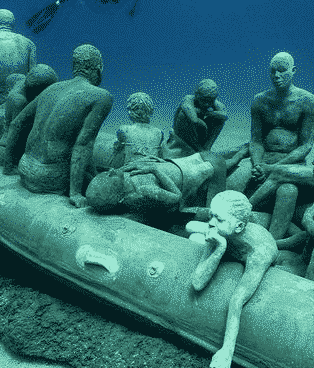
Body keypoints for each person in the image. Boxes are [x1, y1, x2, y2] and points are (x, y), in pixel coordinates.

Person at [186, 190, 279, 368]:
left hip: (249, 250)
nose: (211, 222)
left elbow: (237, 301)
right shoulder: (219, 231)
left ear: (239, 226)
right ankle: (214, 230)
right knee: (191, 229)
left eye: (218, 219)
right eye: (211, 215)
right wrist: (219, 249)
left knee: (193, 233)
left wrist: (227, 351)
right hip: (230, 241)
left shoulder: (260, 252)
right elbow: (197, 283)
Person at [3, 44, 113, 208]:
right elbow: (83, 145)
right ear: (98, 68)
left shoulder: (51, 89)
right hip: (50, 179)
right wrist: (75, 193)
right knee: (105, 184)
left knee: (89, 167)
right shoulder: (102, 97)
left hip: (24, 168)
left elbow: (16, 123)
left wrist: (8, 166)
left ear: (74, 67)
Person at [227, 52, 314, 240]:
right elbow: (256, 140)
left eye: (282, 71)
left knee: (288, 190)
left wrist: (274, 167)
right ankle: (228, 219)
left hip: (293, 162)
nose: (276, 76)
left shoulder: (307, 101)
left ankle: (272, 241)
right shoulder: (260, 100)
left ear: (293, 71)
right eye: (273, 71)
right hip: (263, 159)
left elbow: (306, 146)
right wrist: (257, 164)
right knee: (237, 179)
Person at [86, 151, 226, 214]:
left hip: (181, 163)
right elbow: (176, 197)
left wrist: (151, 161)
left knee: (221, 156)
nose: (111, 170)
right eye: (109, 176)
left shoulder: (123, 175)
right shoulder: (144, 190)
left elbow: (118, 171)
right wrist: (155, 170)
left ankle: (239, 154)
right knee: (221, 159)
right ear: (118, 193)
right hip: (199, 168)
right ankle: (239, 155)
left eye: (105, 173)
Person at [0, 65, 58, 165]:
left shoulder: (22, 80)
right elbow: (16, 135)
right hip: (6, 152)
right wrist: (9, 166)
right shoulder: (20, 102)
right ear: (39, 93)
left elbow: (11, 78)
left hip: (9, 146)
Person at [170, 79, 228, 155]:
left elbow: (225, 116)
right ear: (197, 95)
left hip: (199, 134)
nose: (207, 104)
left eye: (210, 101)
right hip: (181, 136)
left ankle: (206, 148)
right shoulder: (188, 99)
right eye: (204, 100)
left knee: (219, 119)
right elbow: (193, 119)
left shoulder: (216, 103)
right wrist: (204, 125)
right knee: (183, 114)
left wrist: (207, 113)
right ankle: (196, 149)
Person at [111, 92, 165, 168]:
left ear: (131, 110)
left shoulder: (124, 129)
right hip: (153, 168)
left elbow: (117, 150)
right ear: (150, 110)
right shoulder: (159, 132)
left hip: (131, 169)